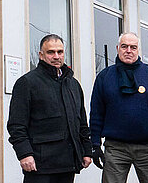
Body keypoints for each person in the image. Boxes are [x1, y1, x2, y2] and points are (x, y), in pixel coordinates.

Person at [7, 34, 92, 183]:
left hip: (68, 165)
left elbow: (82, 123)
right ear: (41, 55)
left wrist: (86, 150)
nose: (56, 56)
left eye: (60, 52)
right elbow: (16, 125)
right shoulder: (27, 83)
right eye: (50, 52)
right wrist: (24, 154)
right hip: (40, 165)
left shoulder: (73, 84)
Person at [90, 32, 148, 183]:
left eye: (133, 47)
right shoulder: (104, 77)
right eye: (124, 46)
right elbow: (96, 114)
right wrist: (95, 144)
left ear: (139, 50)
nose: (129, 51)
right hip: (115, 149)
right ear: (118, 48)